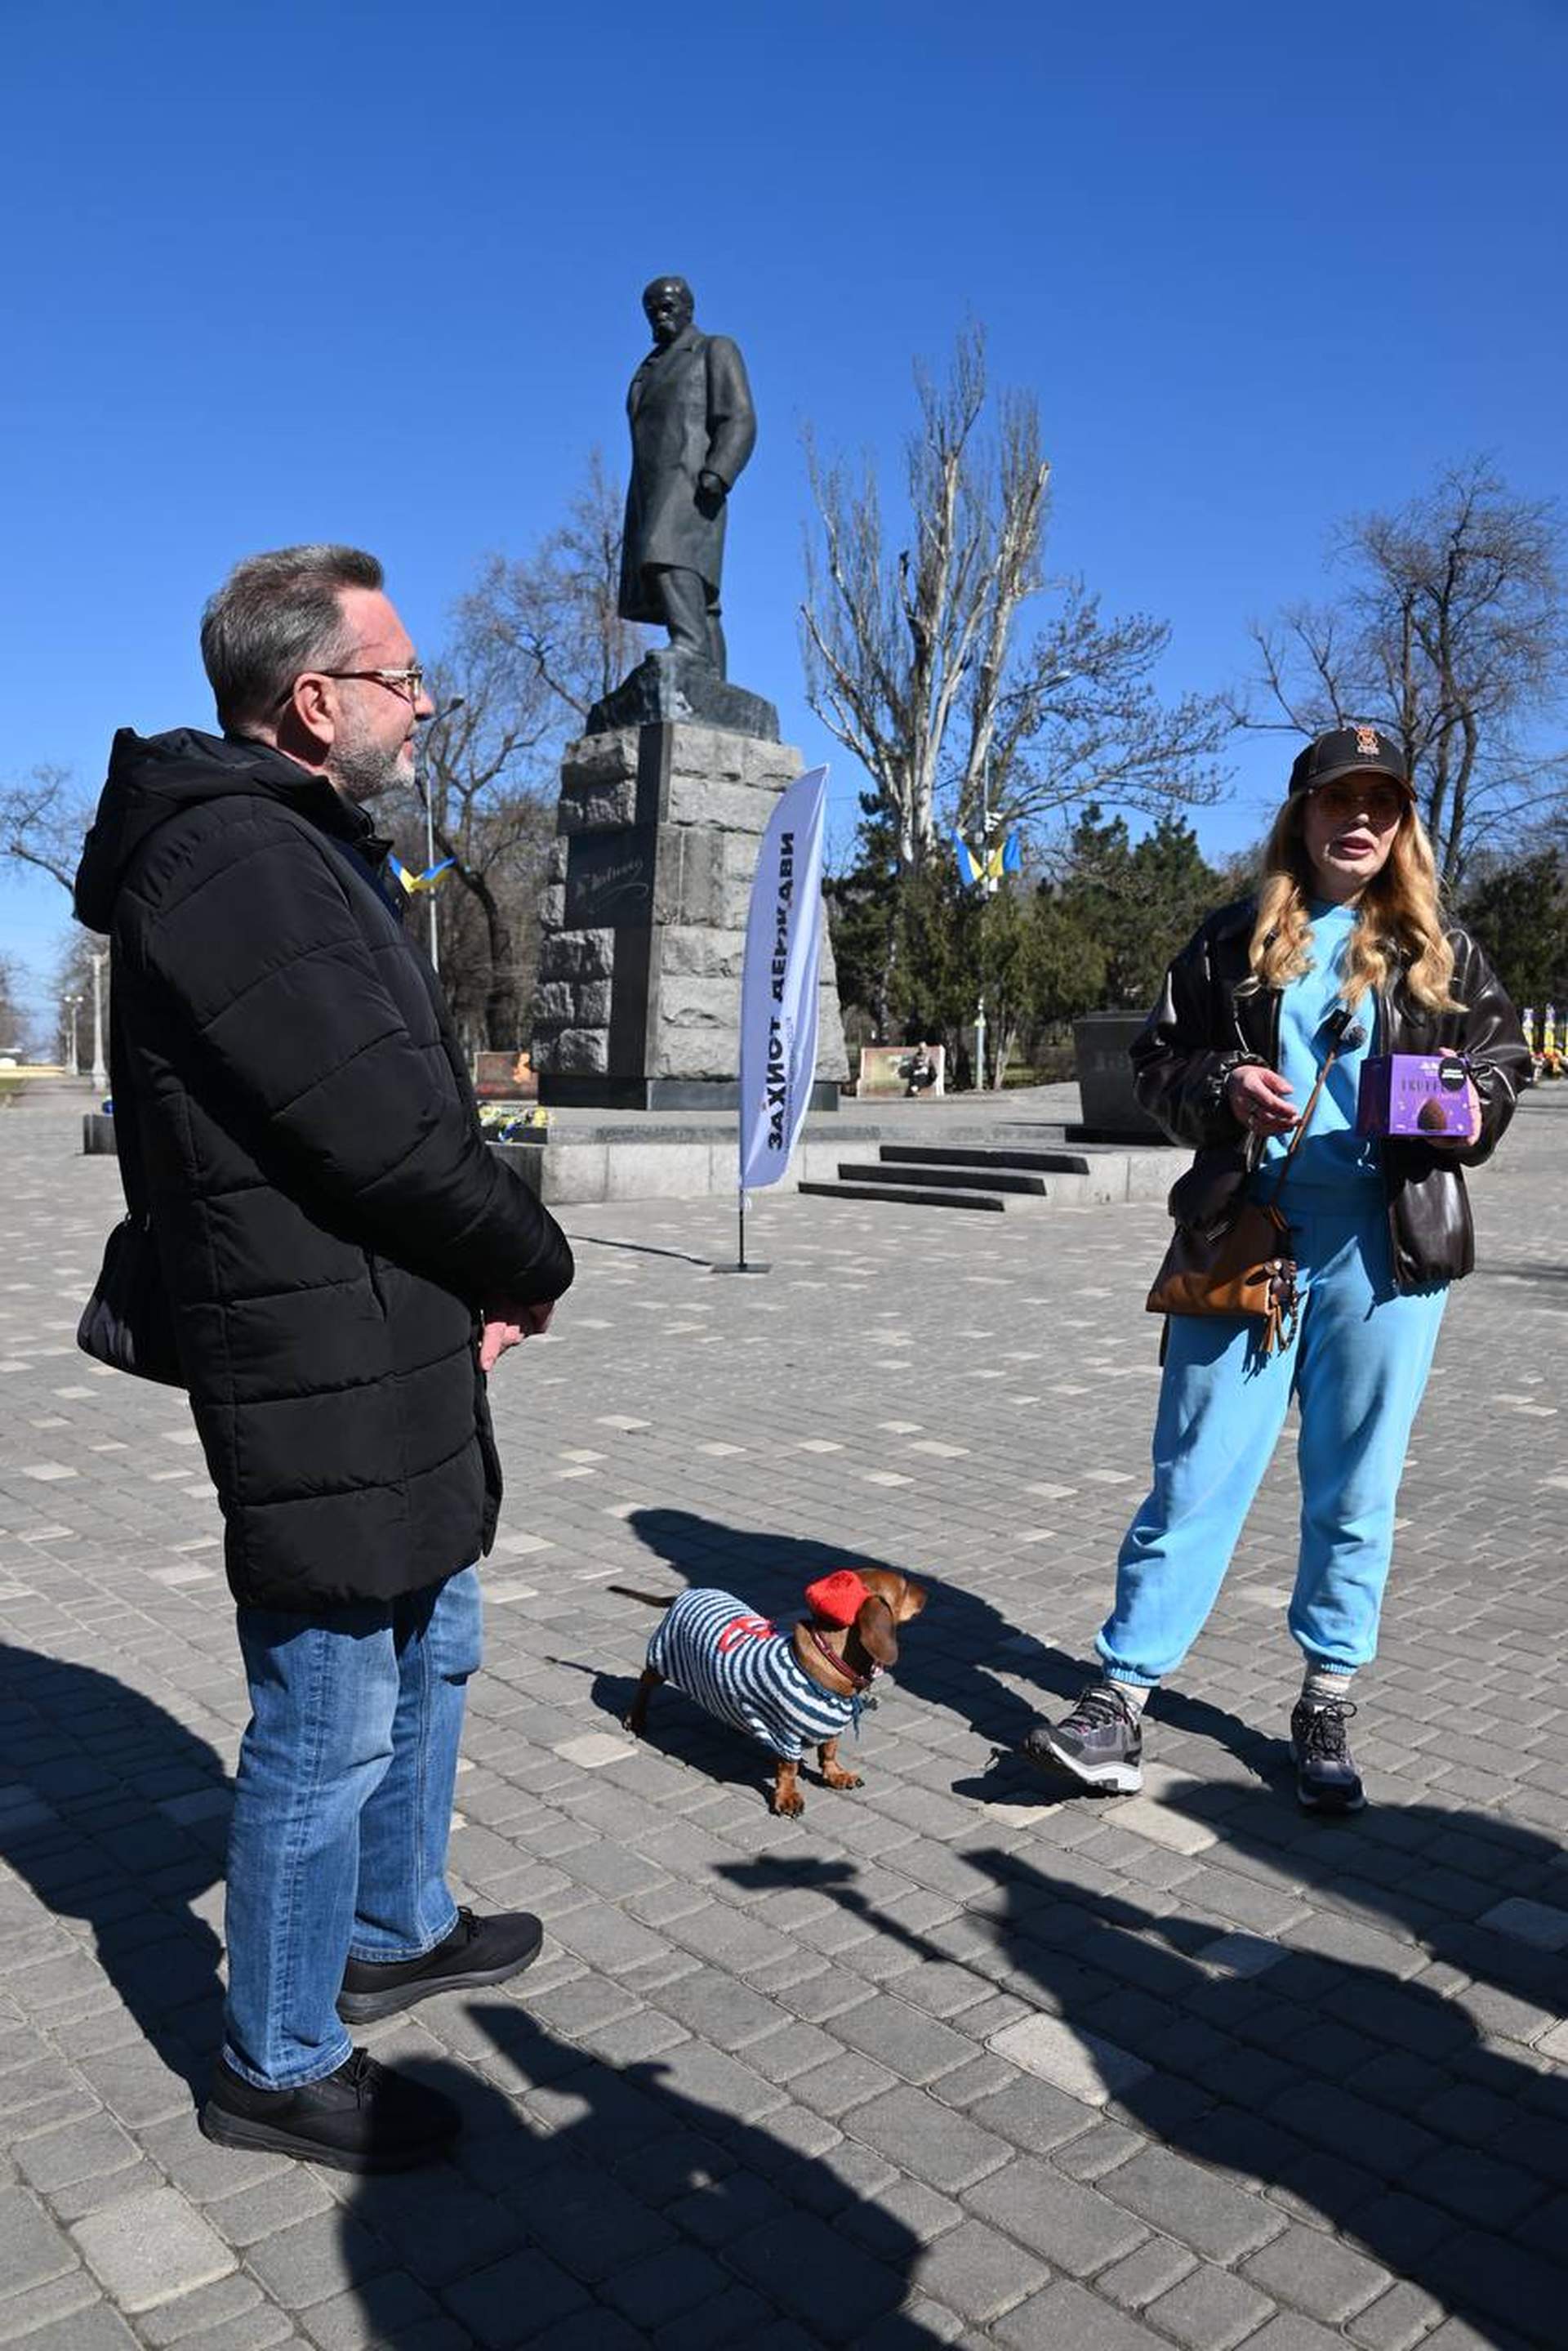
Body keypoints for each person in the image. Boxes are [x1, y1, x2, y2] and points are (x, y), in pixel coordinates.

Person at [74, 546, 577, 2170]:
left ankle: (393, 1915)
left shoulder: (301, 845)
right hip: (314, 1342)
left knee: (438, 1633)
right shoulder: (235, 861)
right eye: (402, 676)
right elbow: (375, 1131)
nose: (423, 702)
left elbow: (397, 1112)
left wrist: (465, 1265)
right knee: (329, 1704)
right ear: (314, 701)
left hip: (387, 1323)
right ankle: (278, 2056)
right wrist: (528, 1251)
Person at [1023, 724, 1528, 1813]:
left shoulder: (1441, 949)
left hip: (1386, 1250)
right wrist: (1223, 1089)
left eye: (1379, 804)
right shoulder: (1231, 939)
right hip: (1245, 1235)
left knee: (1357, 1486)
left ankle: (1327, 1692)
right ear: (1301, 811)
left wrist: (1459, 1107)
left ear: (1401, 826)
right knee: (1197, 1467)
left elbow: (1503, 1064)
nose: (1357, 820)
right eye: (1336, 799)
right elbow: (1158, 1063)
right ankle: (1120, 1697)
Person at [617, 274, 756, 676]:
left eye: (667, 307)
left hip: (691, 481)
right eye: (651, 311)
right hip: (650, 488)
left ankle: (690, 647)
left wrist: (720, 470)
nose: (659, 316)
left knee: (668, 557)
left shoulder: (714, 349)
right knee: (701, 593)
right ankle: (711, 678)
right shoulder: (647, 368)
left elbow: (740, 417)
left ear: (689, 309)